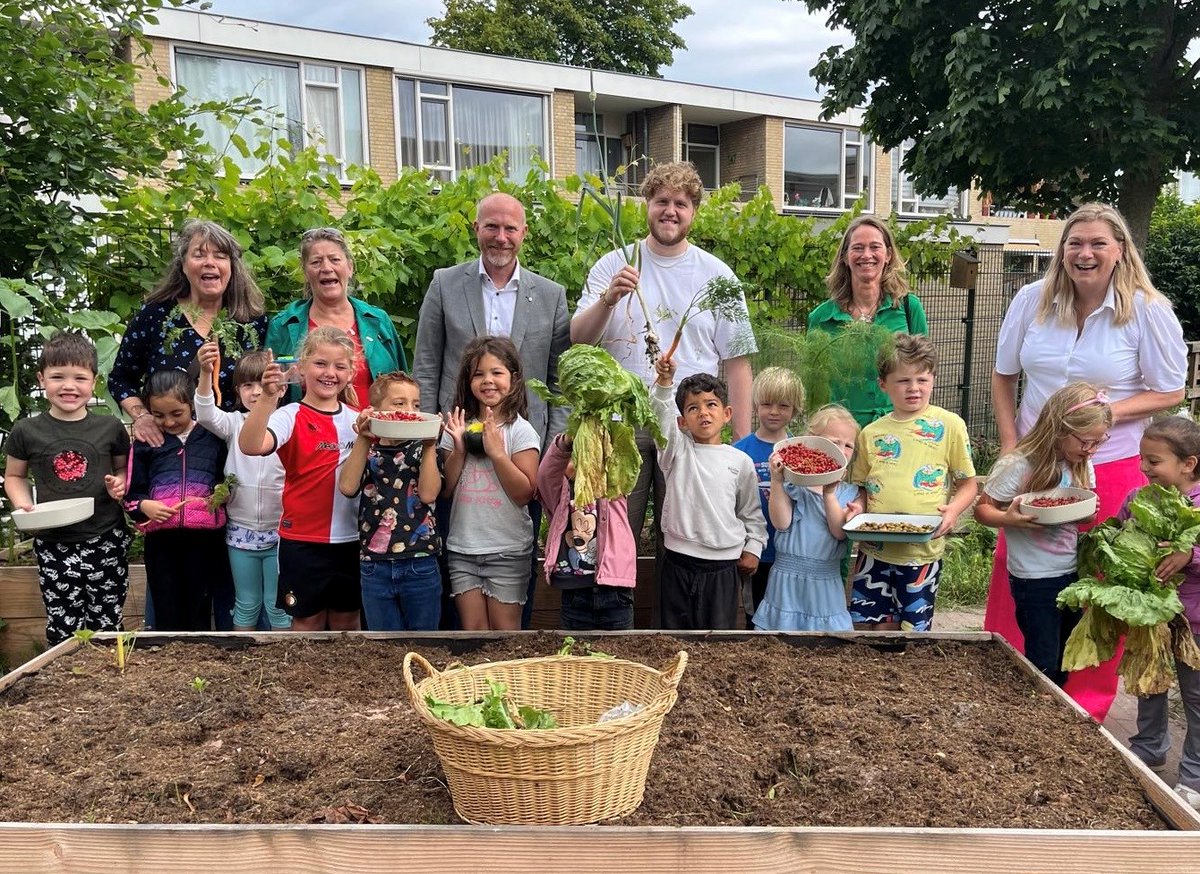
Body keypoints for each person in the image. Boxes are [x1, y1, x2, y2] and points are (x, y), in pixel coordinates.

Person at [988, 202, 1188, 721]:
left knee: (1100, 586)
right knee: (1022, 565)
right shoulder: (1032, 300)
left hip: (1111, 463)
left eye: (1098, 243)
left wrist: (1093, 416)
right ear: (1062, 251)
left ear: (1120, 251)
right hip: (1035, 460)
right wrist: (1013, 444)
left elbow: (1169, 391)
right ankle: (1011, 691)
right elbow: (1004, 375)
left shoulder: (1146, 309)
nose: (1085, 253)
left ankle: (1084, 709)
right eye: (1075, 243)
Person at [572, 160, 757, 569]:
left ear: (693, 212)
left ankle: (672, 626)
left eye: (680, 203)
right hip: (623, 423)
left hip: (690, 424)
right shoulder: (614, 264)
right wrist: (609, 298)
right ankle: (620, 623)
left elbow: (739, 362)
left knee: (684, 535)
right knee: (616, 533)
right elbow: (578, 338)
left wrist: (741, 439)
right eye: (661, 201)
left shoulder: (718, 276)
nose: (670, 210)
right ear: (646, 205)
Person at [413, 192, 571, 627]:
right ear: (477, 229)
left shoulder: (552, 294)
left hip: (522, 451)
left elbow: (558, 380)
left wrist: (556, 445)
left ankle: (509, 657)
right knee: (457, 551)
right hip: (456, 441)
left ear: (524, 234)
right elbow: (426, 364)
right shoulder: (445, 283)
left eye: (510, 228)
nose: (501, 237)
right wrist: (429, 439)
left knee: (514, 556)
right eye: (491, 227)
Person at [974, 383, 1111, 686]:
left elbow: (1086, 516)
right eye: (1086, 442)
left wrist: (1089, 510)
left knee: (1065, 657)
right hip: (1033, 579)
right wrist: (1011, 519)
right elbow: (982, 510)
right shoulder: (1019, 465)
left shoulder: (1082, 464)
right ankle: (1033, 710)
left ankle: (1052, 711)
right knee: (1043, 659)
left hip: (1072, 575)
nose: (1091, 451)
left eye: (1098, 443)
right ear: (1060, 428)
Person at [4, 332, 132, 644]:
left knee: (108, 618)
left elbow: (123, 468)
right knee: (63, 623)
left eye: (79, 377)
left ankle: (107, 675)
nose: (69, 386)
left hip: (106, 537)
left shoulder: (110, 427)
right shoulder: (26, 431)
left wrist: (121, 483)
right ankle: (60, 677)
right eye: (58, 377)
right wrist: (23, 504)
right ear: (41, 379)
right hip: (53, 542)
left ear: (94, 381)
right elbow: (14, 476)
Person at [847, 333, 977, 631]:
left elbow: (968, 484)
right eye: (903, 381)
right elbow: (863, 488)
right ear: (884, 384)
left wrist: (954, 510)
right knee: (868, 628)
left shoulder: (949, 425)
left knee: (912, 632)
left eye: (922, 379)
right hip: (874, 550)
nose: (914, 388)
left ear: (933, 378)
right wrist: (857, 506)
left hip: (921, 553)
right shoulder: (871, 433)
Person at [239, 326, 361, 632]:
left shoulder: (359, 419)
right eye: (320, 363)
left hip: (352, 540)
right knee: (307, 621)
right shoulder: (290, 414)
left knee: (349, 620)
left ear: (351, 372)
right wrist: (268, 398)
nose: (329, 373)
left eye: (340, 366)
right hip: (303, 541)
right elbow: (251, 445)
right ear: (302, 366)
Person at [110, 219, 267, 447]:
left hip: (233, 451)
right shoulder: (157, 314)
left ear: (232, 267)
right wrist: (142, 416)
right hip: (170, 452)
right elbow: (121, 379)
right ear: (183, 265)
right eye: (199, 255)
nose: (210, 263)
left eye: (220, 256)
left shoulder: (250, 321)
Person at [650, 356, 767, 630]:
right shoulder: (676, 453)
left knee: (718, 642)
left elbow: (751, 513)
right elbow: (661, 419)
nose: (703, 412)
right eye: (693, 408)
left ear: (726, 414)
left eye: (711, 405)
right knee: (674, 638)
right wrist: (665, 383)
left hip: (723, 568)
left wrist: (753, 548)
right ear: (682, 421)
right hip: (677, 563)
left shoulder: (740, 461)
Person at [1124, 416, 1200, 812]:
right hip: (1150, 616)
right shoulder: (1141, 498)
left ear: (1188, 464)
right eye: (1142, 459)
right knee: (1149, 685)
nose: (1144, 468)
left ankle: (1193, 777)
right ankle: (1148, 749)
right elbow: (1121, 533)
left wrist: (1191, 553)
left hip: (1195, 622)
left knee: (1195, 697)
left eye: (1154, 462)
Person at [440, 336, 540, 631]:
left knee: (505, 634)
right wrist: (458, 449)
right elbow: (446, 490)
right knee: (474, 633)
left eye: (497, 372)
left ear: (514, 378)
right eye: (478, 374)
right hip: (463, 548)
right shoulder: (457, 427)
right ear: (468, 381)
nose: (488, 381)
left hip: (507, 549)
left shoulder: (520, 431)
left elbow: (524, 493)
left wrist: (497, 453)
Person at [123, 369, 232, 632]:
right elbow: (131, 494)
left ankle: (199, 662)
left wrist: (223, 493)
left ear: (192, 404)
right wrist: (144, 507)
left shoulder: (213, 437)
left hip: (206, 541)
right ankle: (169, 660)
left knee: (201, 605)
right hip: (162, 543)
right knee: (166, 607)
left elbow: (226, 479)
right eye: (158, 415)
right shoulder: (146, 443)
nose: (169, 423)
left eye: (176, 414)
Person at [195, 344, 291, 631]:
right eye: (247, 385)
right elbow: (204, 413)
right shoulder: (234, 424)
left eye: (263, 384)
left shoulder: (289, 422)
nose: (256, 392)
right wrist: (204, 372)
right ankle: (245, 665)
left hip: (282, 531)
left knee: (280, 608)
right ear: (237, 392)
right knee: (247, 603)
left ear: (281, 388)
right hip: (240, 531)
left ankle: (285, 667)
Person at [338, 372, 442, 631]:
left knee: (425, 642)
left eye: (416, 405)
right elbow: (348, 487)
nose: (409, 411)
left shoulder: (422, 449)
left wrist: (430, 444)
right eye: (399, 404)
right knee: (382, 648)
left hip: (420, 561)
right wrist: (364, 436)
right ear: (375, 410)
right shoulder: (367, 450)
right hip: (375, 565)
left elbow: (429, 494)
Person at [807, 215, 928, 429]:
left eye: (875, 247)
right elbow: (815, 391)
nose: (867, 255)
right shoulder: (821, 318)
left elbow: (923, 374)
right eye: (858, 248)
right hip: (842, 436)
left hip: (898, 429)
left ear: (888, 255)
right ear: (845, 256)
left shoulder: (909, 308)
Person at [267, 227, 406, 408]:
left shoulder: (378, 320)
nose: (326, 268)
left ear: (349, 267)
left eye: (335, 260)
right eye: (316, 262)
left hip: (377, 434)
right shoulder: (283, 325)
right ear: (305, 272)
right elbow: (268, 392)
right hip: (306, 434)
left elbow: (403, 384)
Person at [752, 404, 860, 632]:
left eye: (848, 445)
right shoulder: (793, 484)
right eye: (833, 442)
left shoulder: (849, 493)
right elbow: (781, 523)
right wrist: (777, 481)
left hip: (824, 584)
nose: (841, 449)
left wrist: (829, 493)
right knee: (778, 642)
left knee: (825, 646)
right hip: (786, 580)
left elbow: (839, 531)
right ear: (812, 443)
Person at [537, 431, 637, 630]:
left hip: (616, 592)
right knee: (575, 657)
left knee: (618, 655)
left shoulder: (613, 491)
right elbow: (545, 475)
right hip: (575, 593)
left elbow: (623, 462)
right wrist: (565, 444)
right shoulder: (561, 497)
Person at [734, 366, 805, 627]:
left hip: (790, 550)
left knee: (788, 612)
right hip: (756, 551)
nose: (774, 411)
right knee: (756, 611)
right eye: (766, 404)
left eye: (783, 405)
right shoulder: (739, 451)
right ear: (755, 406)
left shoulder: (801, 451)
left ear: (795, 409)